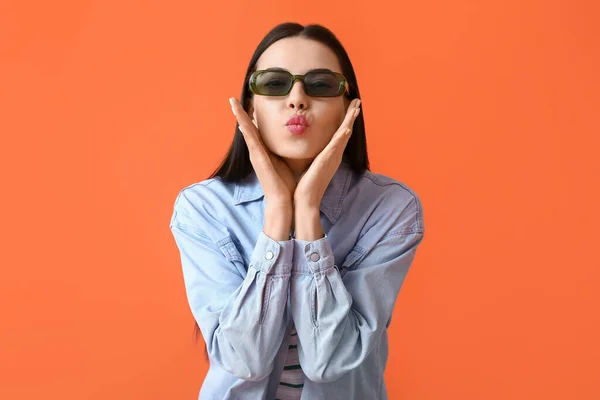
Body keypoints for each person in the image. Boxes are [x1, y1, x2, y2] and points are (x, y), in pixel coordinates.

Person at [169, 21, 425, 400]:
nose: (297, 99)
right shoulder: (203, 209)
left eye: (320, 85)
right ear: (251, 108)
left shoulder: (390, 209)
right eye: (274, 84)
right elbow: (243, 359)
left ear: (347, 108)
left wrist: (307, 211)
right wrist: (277, 212)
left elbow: (330, 360)